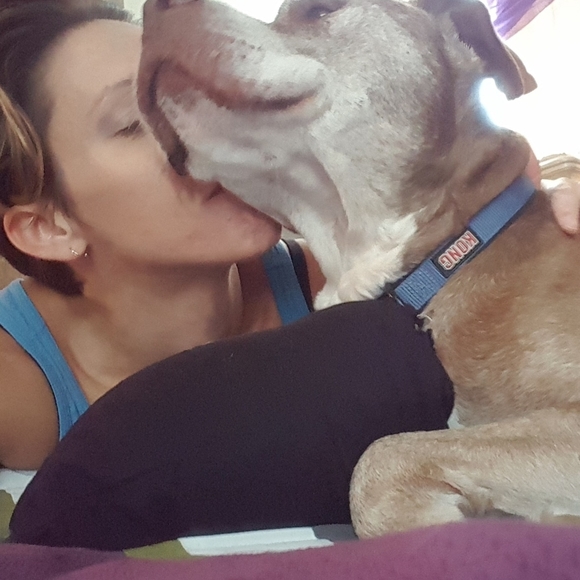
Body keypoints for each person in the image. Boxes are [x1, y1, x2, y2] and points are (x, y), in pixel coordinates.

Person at [1, 0, 579, 548]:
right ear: (48, 227)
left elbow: (484, 186)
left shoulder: (363, 276)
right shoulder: (18, 378)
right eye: (140, 116)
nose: (202, 118)